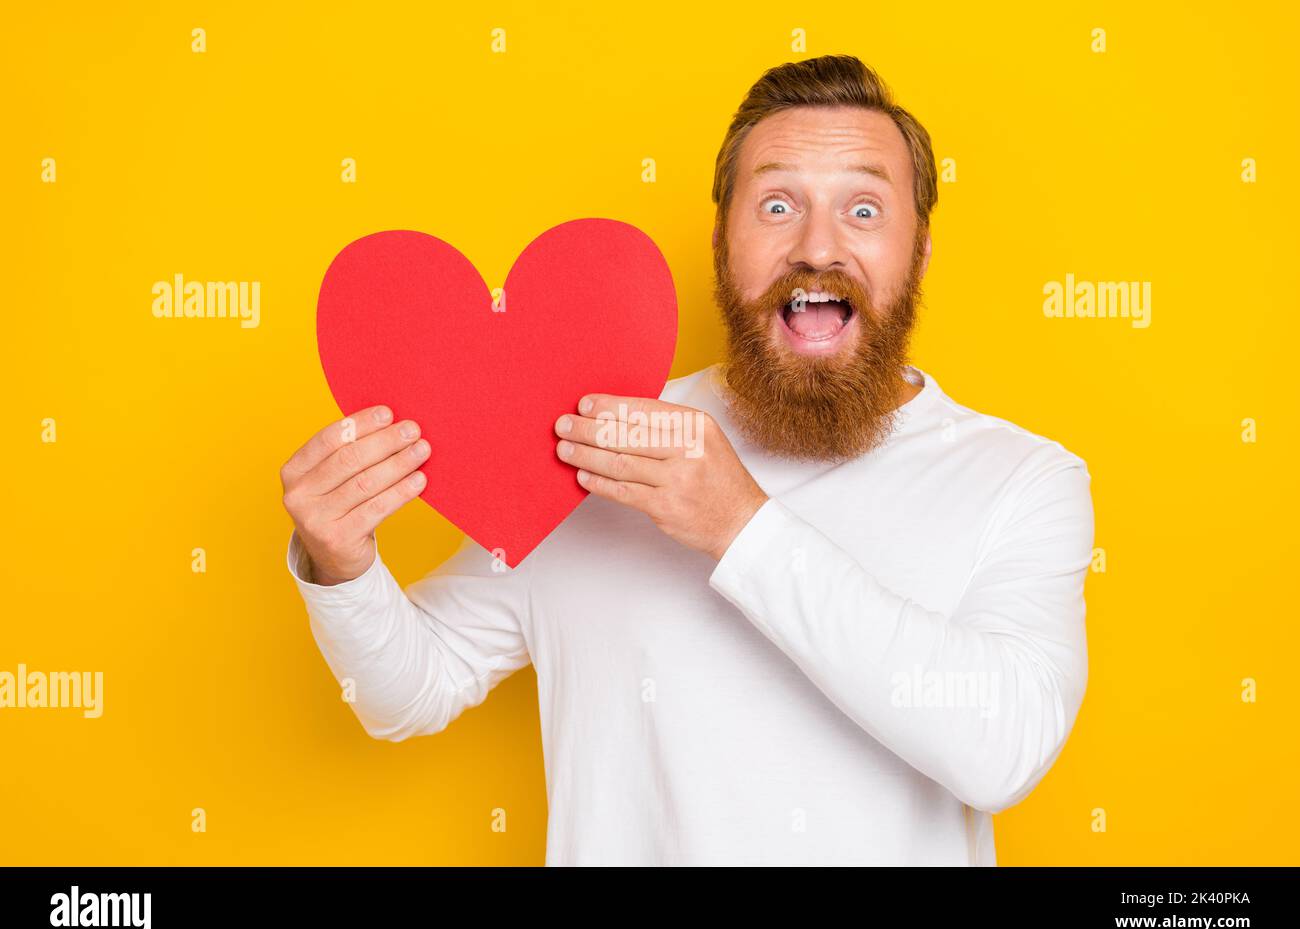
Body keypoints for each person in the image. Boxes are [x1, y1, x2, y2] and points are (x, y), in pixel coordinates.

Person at [279, 54, 1094, 865]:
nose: (819, 246)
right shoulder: (588, 438)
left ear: (918, 254)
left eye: (865, 210)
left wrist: (740, 526)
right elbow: (407, 691)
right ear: (719, 245)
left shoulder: (1022, 480)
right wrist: (339, 564)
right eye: (777, 205)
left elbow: (1003, 749)